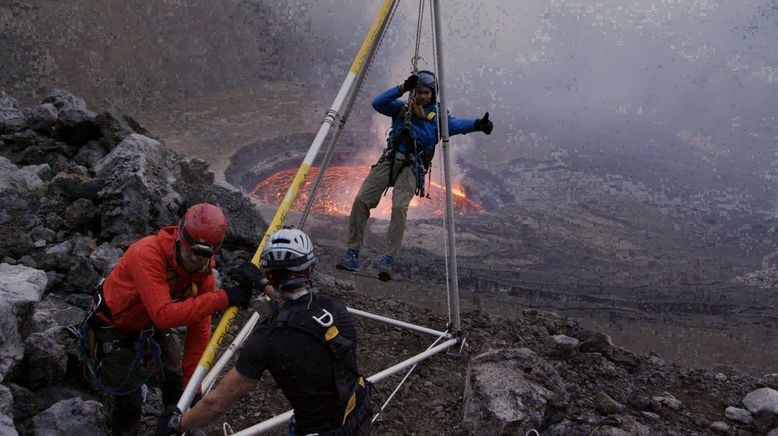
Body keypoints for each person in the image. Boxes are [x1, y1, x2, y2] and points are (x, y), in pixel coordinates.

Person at [157, 228, 372, 436]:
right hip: (358, 416)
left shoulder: (267, 340)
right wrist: (262, 284)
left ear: (268, 272)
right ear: (311, 269)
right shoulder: (334, 307)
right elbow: (298, 307)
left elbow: (216, 402)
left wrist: (177, 423)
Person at [80, 203, 262, 436]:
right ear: (179, 235)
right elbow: (164, 315)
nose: (195, 258)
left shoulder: (202, 274)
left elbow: (199, 330)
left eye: (204, 254)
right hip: (114, 327)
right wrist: (223, 298)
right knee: (129, 400)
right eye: (191, 249)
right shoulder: (147, 253)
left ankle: (176, 425)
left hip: (148, 325)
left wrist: (193, 385)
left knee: (176, 379)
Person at [335, 70, 494, 281]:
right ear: (414, 93)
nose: (423, 96)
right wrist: (402, 88)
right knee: (361, 200)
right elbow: (378, 103)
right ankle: (352, 254)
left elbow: (458, 125)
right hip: (390, 160)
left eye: (427, 92)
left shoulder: (438, 120)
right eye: (419, 92)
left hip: (412, 167)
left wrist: (477, 125)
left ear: (434, 93)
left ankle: (388, 260)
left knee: (399, 207)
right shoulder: (402, 109)